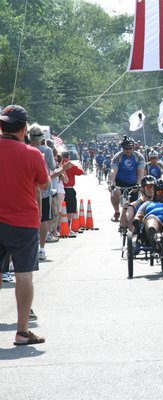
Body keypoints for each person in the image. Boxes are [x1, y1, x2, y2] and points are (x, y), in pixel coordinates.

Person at [0, 105, 49, 346]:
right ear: (24, 128)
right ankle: (21, 331)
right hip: (23, 223)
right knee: (23, 275)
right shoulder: (33, 154)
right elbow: (43, 184)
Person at [28, 124, 57, 260]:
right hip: (43, 189)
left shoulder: (25, 149)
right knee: (44, 218)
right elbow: (52, 167)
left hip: (28, 190)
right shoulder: (47, 150)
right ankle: (42, 249)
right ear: (41, 137)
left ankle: (31, 248)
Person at [109, 136, 146, 222]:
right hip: (120, 182)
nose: (128, 150)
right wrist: (112, 183)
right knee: (115, 192)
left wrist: (138, 184)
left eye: (130, 148)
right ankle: (117, 211)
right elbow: (113, 171)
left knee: (134, 206)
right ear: (122, 148)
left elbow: (141, 171)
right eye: (126, 148)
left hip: (134, 183)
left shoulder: (139, 156)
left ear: (133, 147)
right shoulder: (118, 157)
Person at [61, 151, 84, 234]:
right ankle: (67, 227)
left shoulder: (58, 164)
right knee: (70, 209)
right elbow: (81, 172)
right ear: (68, 157)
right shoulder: (70, 165)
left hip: (59, 189)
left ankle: (59, 227)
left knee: (59, 209)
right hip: (69, 189)